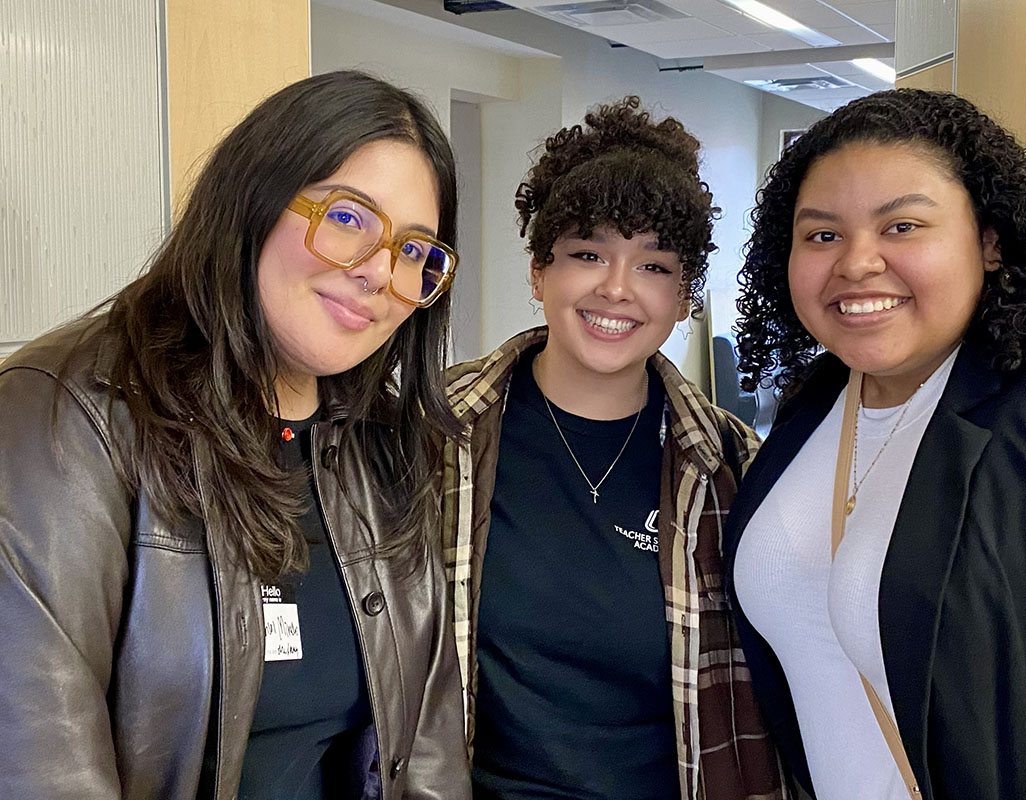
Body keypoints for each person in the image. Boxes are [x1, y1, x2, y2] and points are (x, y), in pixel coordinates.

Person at [0, 71, 469, 800]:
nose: (380, 272)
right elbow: (37, 767)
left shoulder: (381, 441)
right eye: (349, 218)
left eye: (415, 252)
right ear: (253, 199)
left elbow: (428, 753)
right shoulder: (64, 414)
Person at [725, 87, 1026, 800]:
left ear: (990, 240)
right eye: (822, 235)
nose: (856, 263)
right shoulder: (813, 407)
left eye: (903, 226)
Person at [438, 97, 784, 800]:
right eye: (587, 254)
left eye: (654, 266)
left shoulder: (729, 466)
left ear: (686, 296)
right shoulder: (432, 430)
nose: (617, 288)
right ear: (540, 273)